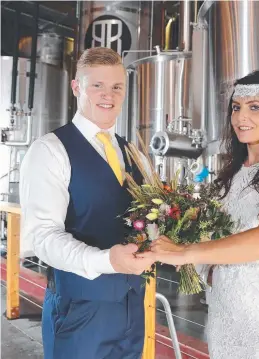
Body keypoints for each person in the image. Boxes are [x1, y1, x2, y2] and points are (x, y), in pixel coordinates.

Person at [141, 70, 259, 358]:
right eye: (236, 107)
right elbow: (217, 234)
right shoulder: (230, 175)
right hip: (223, 315)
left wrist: (186, 252)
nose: (242, 117)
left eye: (254, 107)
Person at [19, 47, 154, 359]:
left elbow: (150, 219)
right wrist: (107, 261)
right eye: (98, 85)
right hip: (80, 310)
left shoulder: (134, 153)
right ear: (77, 87)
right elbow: (43, 238)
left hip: (133, 306)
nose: (109, 95)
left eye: (117, 87)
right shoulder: (50, 151)